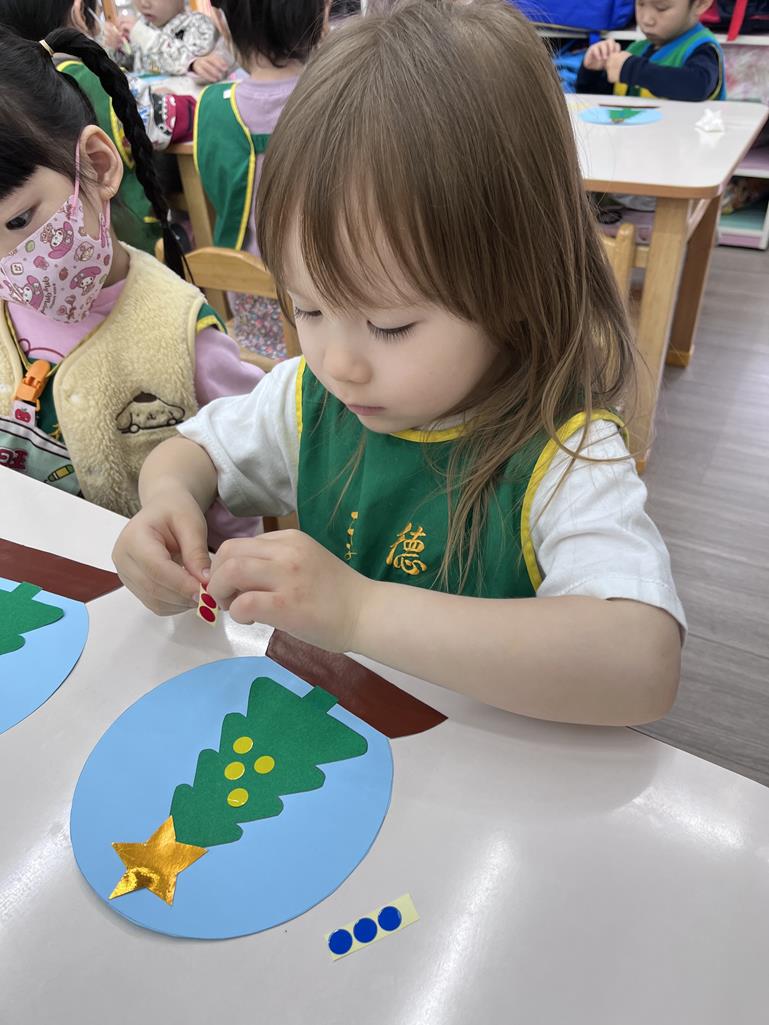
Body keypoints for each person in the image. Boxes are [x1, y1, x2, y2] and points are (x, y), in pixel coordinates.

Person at [112, 0, 685, 727]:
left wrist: (359, 611)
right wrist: (167, 504)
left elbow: (641, 665)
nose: (337, 362)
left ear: (515, 282)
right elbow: (192, 452)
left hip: (492, 776)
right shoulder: (308, 399)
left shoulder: (564, 456)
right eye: (308, 309)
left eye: (389, 326)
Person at [0, 26, 262, 543]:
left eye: (19, 221)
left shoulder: (183, 337)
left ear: (97, 166)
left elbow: (245, 478)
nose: (8, 263)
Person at [0, 0, 194, 253]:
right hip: (134, 241)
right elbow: (182, 118)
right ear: (81, 13)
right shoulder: (97, 80)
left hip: (53, 252)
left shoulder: (13, 97)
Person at [193, 0, 328, 359]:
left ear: (223, 24)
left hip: (251, 309)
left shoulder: (214, 106)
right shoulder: (335, 94)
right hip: (332, 304)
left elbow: (216, 190)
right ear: (323, 16)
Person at [577, 0, 725, 101]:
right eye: (640, 4)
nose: (647, 20)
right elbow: (599, 103)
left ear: (700, 3)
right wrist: (592, 72)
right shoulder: (635, 49)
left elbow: (697, 86)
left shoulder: (702, 48)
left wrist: (630, 69)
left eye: (661, 7)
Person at [110, 0, 231, 82]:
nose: (143, 3)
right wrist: (118, 48)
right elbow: (135, 66)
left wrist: (142, 34)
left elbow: (189, 62)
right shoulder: (144, 25)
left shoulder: (200, 24)